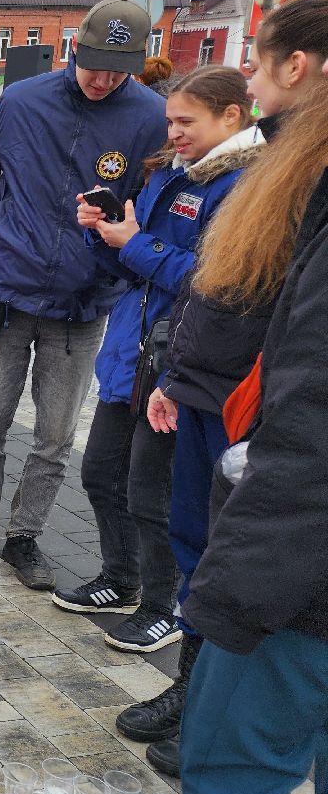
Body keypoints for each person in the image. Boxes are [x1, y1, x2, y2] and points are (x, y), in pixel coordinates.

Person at [127, 0, 328, 778]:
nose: (252, 75)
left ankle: (213, 714)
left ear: (294, 67)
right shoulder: (272, 160)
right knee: (193, 545)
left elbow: (282, 316)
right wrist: (178, 374)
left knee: (231, 563)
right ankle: (193, 694)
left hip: (259, 408)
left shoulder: (288, 167)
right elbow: (217, 291)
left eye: (257, 61)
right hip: (206, 389)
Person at [0, 0, 168, 589]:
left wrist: (129, 249)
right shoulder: (23, 101)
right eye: (96, 65)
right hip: (6, 287)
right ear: (74, 49)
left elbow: (155, 206)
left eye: (120, 69)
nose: (105, 79)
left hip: (84, 300)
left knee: (55, 435)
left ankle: (25, 535)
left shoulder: (151, 117)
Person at [170, 58, 328, 794]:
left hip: (300, 550)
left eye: (270, 73)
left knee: (235, 759)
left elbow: (313, 416)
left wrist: (238, 588)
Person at [51, 67, 260, 655]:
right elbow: (134, 263)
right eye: (170, 120)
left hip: (180, 358)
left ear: (231, 117)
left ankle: (161, 605)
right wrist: (105, 232)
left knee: (153, 493)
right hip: (133, 350)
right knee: (98, 474)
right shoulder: (169, 172)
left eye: (186, 121)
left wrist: (134, 243)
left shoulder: (242, 186)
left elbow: (211, 282)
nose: (174, 131)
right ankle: (120, 577)